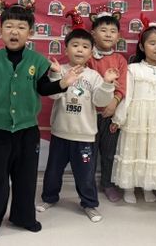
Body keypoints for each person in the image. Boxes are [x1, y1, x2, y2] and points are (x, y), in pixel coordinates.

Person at [0, 3, 82, 239]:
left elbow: (43, 88)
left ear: (30, 33)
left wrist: (62, 84)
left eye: (21, 27)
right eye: (9, 26)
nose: (14, 31)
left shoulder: (37, 60)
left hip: (27, 131)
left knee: (26, 178)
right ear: (0, 31)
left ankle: (23, 217)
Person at [36, 27, 119, 222]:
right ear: (66, 50)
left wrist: (107, 84)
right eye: (75, 45)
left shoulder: (94, 76)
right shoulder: (60, 70)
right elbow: (54, 95)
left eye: (85, 46)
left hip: (85, 137)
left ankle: (89, 204)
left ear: (91, 52)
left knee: (85, 174)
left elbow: (100, 101)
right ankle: (49, 198)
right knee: (53, 171)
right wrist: (56, 75)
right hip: (60, 134)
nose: (80, 49)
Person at [111, 23, 156, 203]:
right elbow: (127, 95)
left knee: (153, 153)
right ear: (142, 47)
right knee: (133, 152)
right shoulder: (133, 69)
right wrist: (119, 119)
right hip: (136, 120)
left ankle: (148, 187)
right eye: (152, 43)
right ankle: (129, 188)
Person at [87, 8, 128, 202]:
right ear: (93, 34)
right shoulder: (88, 58)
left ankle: (107, 183)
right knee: (89, 152)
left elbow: (123, 86)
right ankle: (87, 184)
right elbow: (87, 83)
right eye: (103, 30)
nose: (108, 34)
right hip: (89, 114)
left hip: (111, 115)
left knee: (109, 153)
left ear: (118, 36)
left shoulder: (120, 60)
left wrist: (114, 102)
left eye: (113, 31)